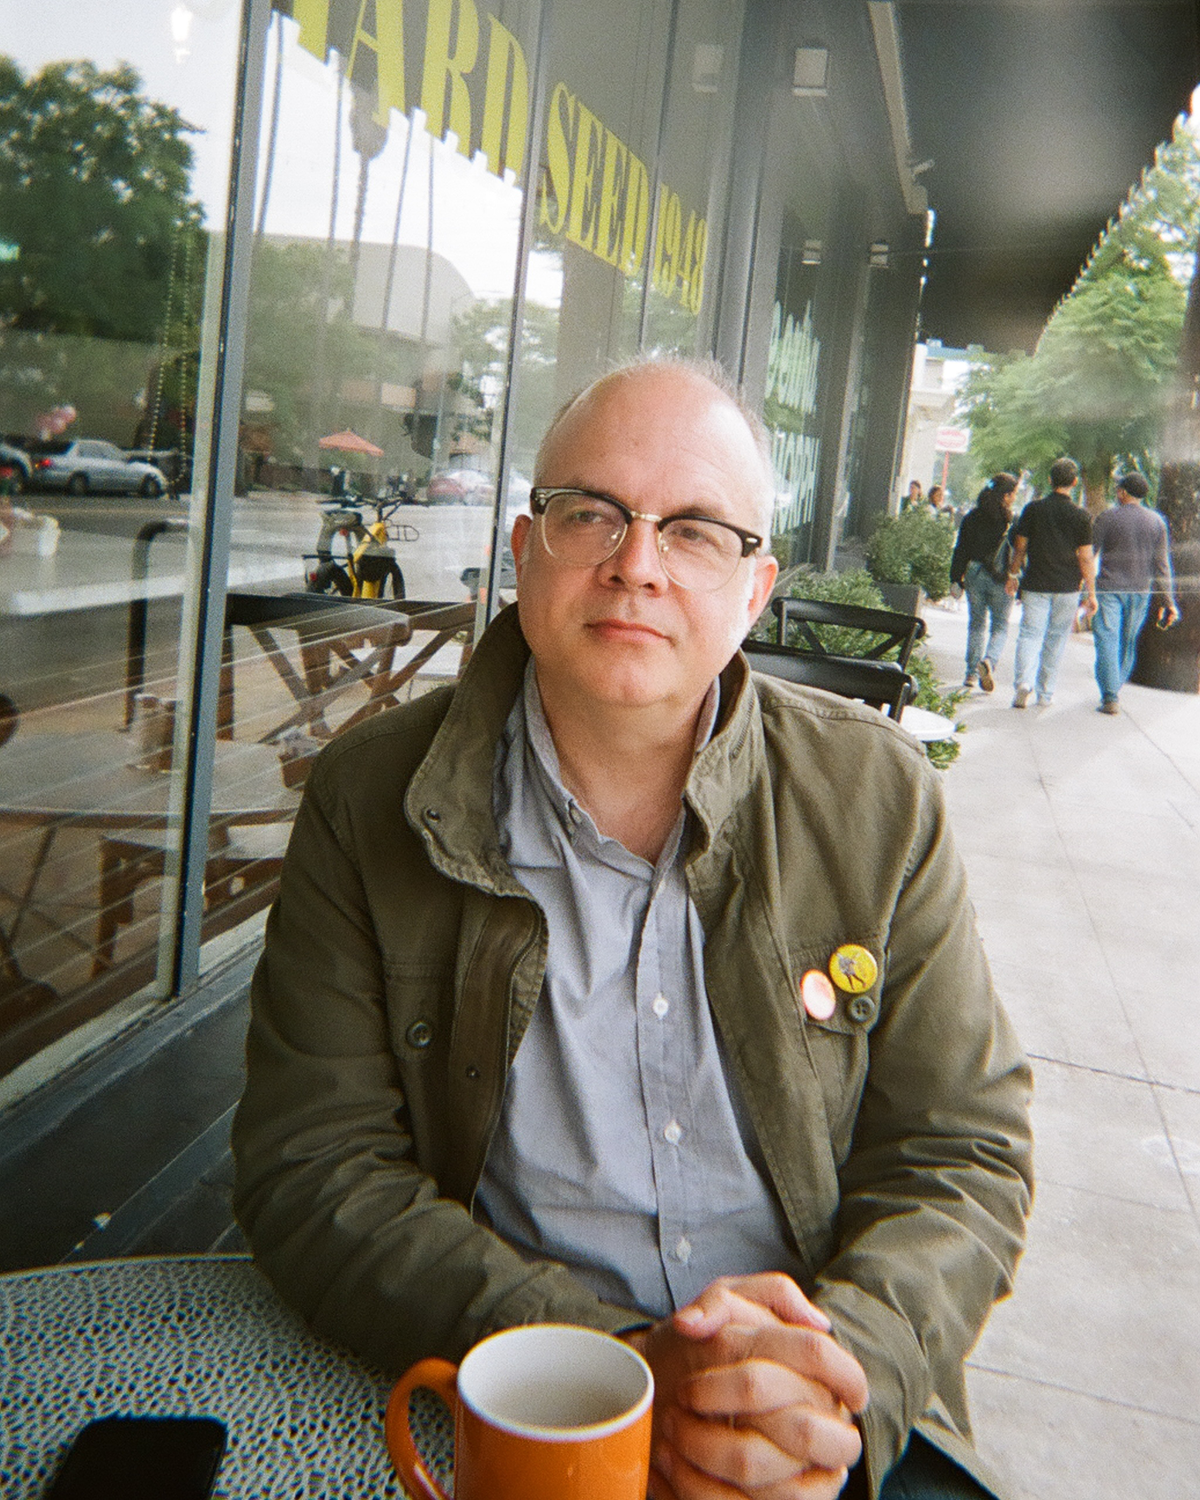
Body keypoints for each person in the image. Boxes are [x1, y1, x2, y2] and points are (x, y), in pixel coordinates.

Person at [233, 357, 1032, 1500]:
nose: (636, 566)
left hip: (818, 1417)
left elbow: (963, 1146)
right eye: (590, 514)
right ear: (523, 550)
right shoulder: (373, 797)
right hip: (518, 1402)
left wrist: (838, 1371)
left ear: (757, 590)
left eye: (697, 530)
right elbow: (312, 1167)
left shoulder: (877, 799)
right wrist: (602, 1365)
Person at [1005, 457, 1096, 707]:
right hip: (1068, 587)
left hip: (1035, 582)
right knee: (1055, 639)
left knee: (1029, 635)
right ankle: (1045, 693)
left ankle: (1023, 683)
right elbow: (1086, 558)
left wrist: (1013, 575)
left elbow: (1020, 547)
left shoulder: (1033, 509)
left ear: (1049, 480)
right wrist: (1091, 592)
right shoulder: (1081, 516)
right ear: (1075, 482)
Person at [1091, 471, 1179, 714]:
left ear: (1123, 493)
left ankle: (1110, 695)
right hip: (1140, 591)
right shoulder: (1157, 522)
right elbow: (1162, 564)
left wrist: (1085, 588)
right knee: (1127, 642)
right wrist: (1169, 600)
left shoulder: (1107, 517)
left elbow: (1090, 554)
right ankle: (1113, 691)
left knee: (1107, 639)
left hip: (1109, 589)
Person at [949, 473, 1020, 691]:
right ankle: (989, 661)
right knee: (1000, 626)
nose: (1015, 498)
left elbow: (960, 549)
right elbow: (1019, 553)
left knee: (976, 624)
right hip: (1001, 577)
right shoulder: (1011, 522)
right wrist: (1017, 579)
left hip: (973, 574)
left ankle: (970, 674)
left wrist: (955, 578)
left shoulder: (971, 517)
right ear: (1006, 496)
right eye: (1014, 494)